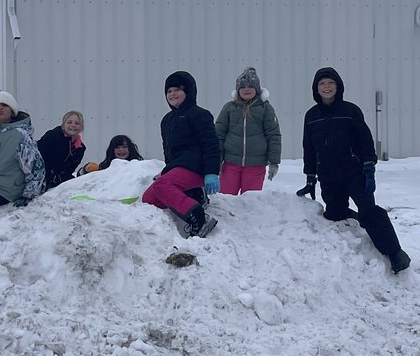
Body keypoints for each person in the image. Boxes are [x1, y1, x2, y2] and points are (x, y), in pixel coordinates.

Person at [297, 67, 411, 274]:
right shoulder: (311, 116)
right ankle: (356, 221)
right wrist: (310, 176)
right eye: (322, 84)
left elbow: (364, 139)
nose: (326, 87)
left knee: (369, 210)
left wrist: (369, 166)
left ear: (338, 86)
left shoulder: (350, 111)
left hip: (354, 171)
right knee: (334, 214)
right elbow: (309, 147)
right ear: (316, 89)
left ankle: (395, 253)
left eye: (330, 83)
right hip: (329, 175)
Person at [142, 70, 220, 238]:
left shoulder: (200, 115)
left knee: (162, 186)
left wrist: (212, 172)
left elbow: (211, 144)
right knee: (149, 198)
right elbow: (168, 152)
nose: (172, 94)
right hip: (178, 168)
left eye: (177, 89)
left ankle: (200, 218)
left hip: (196, 167)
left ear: (189, 91)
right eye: (168, 91)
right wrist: (166, 171)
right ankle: (194, 197)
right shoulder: (166, 120)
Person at [215, 66, 281, 195]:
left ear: (256, 89)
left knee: (250, 201)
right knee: (227, 198)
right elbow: (219, 134)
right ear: (238, 90)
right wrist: (217, 159)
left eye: (250, 86)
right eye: (242, 87)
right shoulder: (229, 108)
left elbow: (274, 135)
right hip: (230, 164)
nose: (246, 89)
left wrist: (274, 161)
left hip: (256, 166)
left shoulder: (265, 108)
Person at [37, 111, 87, 189]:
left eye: (77, 123)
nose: (73, 125)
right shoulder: (52, 136)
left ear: (81, 127)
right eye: (69, 122)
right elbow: (39, 158)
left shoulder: (80, 148)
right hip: (40, 178)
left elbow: (68, 170)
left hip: (57, 182)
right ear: (63, 125)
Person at [76, 134, 144, 175]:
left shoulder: (139, 166)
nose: (121, 149)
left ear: (130, 149)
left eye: (124, 147)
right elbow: (81, 178)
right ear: (112, 150)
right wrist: (85, 169)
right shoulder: (105, 166)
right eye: (117, 147)